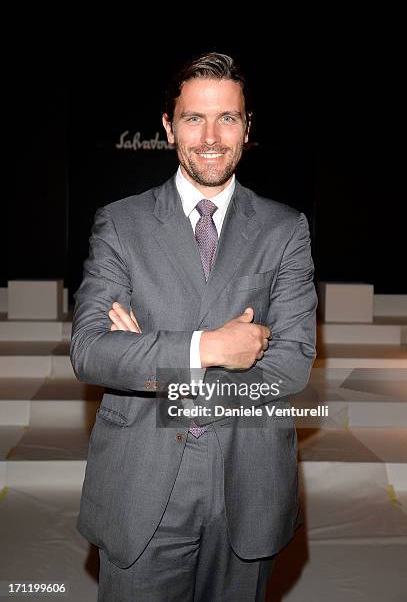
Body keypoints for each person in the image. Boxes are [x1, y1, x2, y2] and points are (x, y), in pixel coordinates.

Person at [70, 52, 317, 601]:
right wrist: (213, 346)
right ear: (167, 124)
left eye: (227, 118)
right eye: (193, 118)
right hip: (143, 486)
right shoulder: (120, 222)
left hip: (246, 485)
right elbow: (91, 351)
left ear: (247, 128)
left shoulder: (285, 229)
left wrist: (150, 354)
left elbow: (292, 363)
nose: (211, 136)